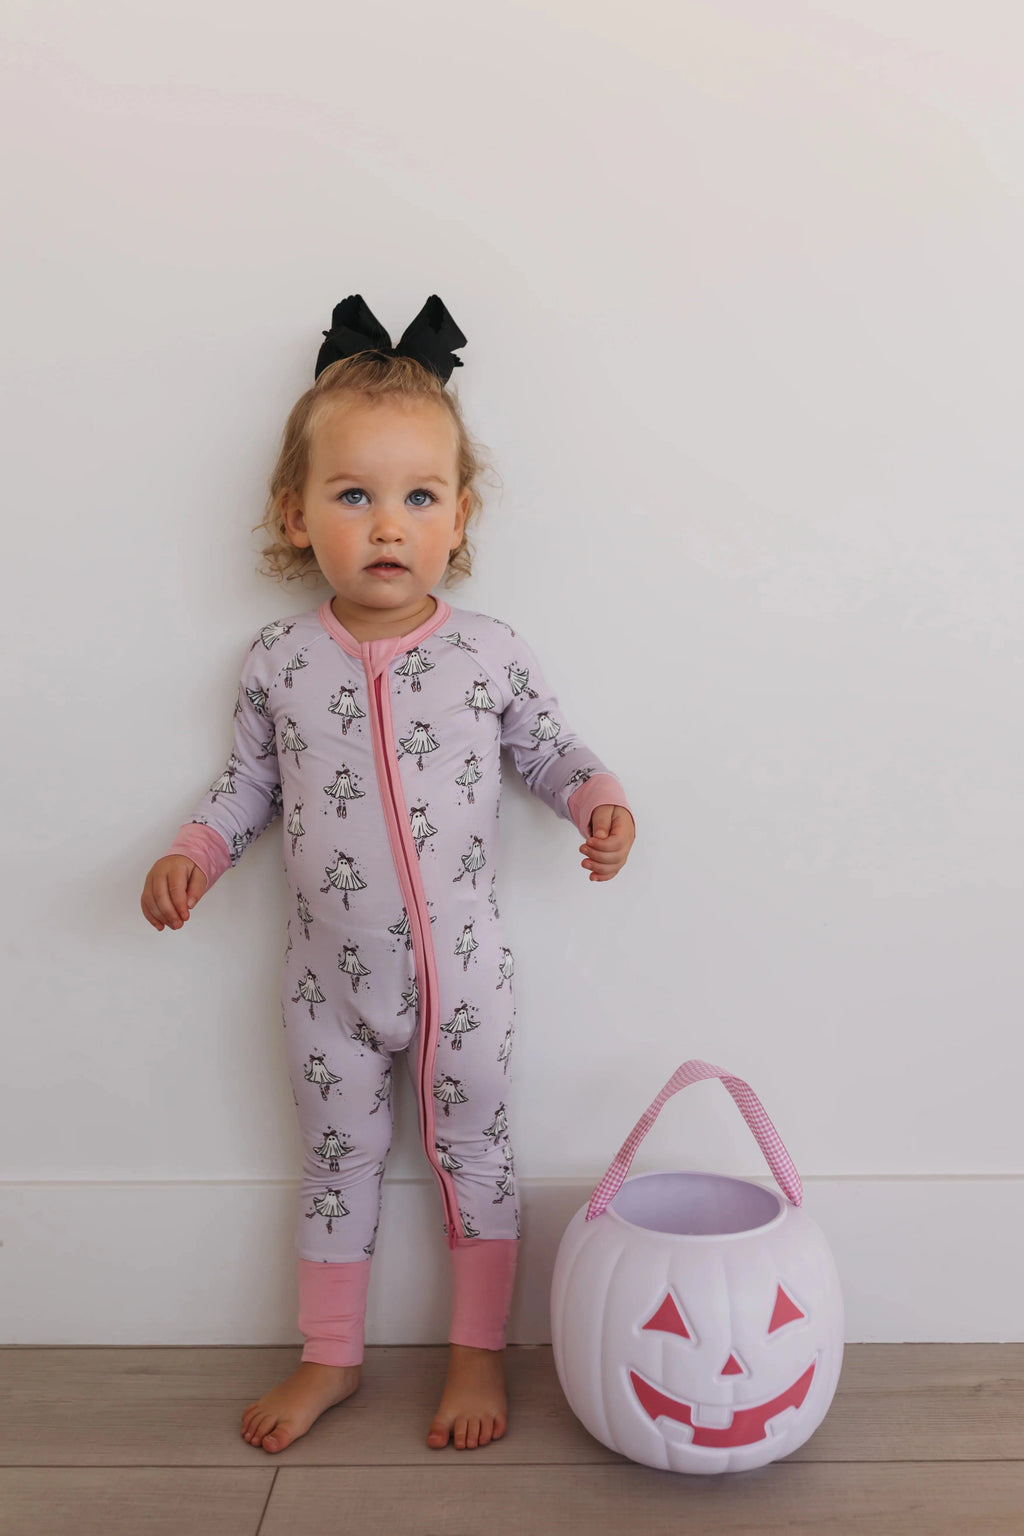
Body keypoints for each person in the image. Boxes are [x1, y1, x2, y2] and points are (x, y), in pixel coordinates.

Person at [139, 295, 635, 1455]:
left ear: (458, 517)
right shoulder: (278, 661)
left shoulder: (485, 653)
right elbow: (247, 786)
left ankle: (476, 1353)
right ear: (295, 513)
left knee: (475, 1155)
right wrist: (190, 852)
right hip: (327, 983)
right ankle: (330, 1356)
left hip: (463, 978)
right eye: (352, 495)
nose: (386, 526)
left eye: (418, 497)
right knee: (334, 1161)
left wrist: (598, 800)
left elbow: (549, 749)